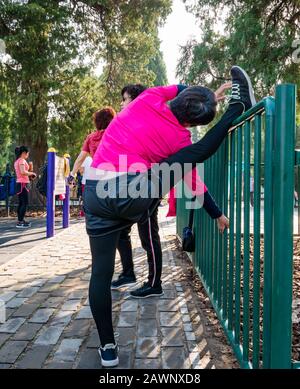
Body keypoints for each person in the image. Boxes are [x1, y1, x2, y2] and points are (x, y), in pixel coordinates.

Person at [84, 66, 256, 367]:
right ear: (190, 123)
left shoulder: (148, 96)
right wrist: (215, 105)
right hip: (131, 194)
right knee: (189, 157)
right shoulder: (179, 140)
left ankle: (108, 349)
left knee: (100, 273)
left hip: (95, 192)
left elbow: (179, 89)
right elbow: (196, 165)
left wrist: (204, 95)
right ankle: (238, 108)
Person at [112, 84, 230, 299]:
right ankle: (130, 273)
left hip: (145, 193)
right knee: (127, 232)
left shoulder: (164, 125)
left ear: (136, 101)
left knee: (148, 235)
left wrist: (216, 213)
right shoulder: (151, 125)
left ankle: (154, 282)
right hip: (132, 189)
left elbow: (193, 180)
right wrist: (207, 97)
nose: (122, 103)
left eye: (126, 99)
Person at [69, 107, 116, 181]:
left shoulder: (90, 138)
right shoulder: (116, 135)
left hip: (96, 176)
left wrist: (72, 175)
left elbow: (80, 159)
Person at [14, 146, 36, 228]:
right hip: (22, 183)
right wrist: (32, 173)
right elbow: (23, 172)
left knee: (21, 203)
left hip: (21, 183)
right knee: (24, 203)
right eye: (27, 153)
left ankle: (20, 220)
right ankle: (20, 222)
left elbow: (23, 172)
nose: (28, 155)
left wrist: (30, 168)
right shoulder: (22, 161)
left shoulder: (18, 161)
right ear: (24, 153)